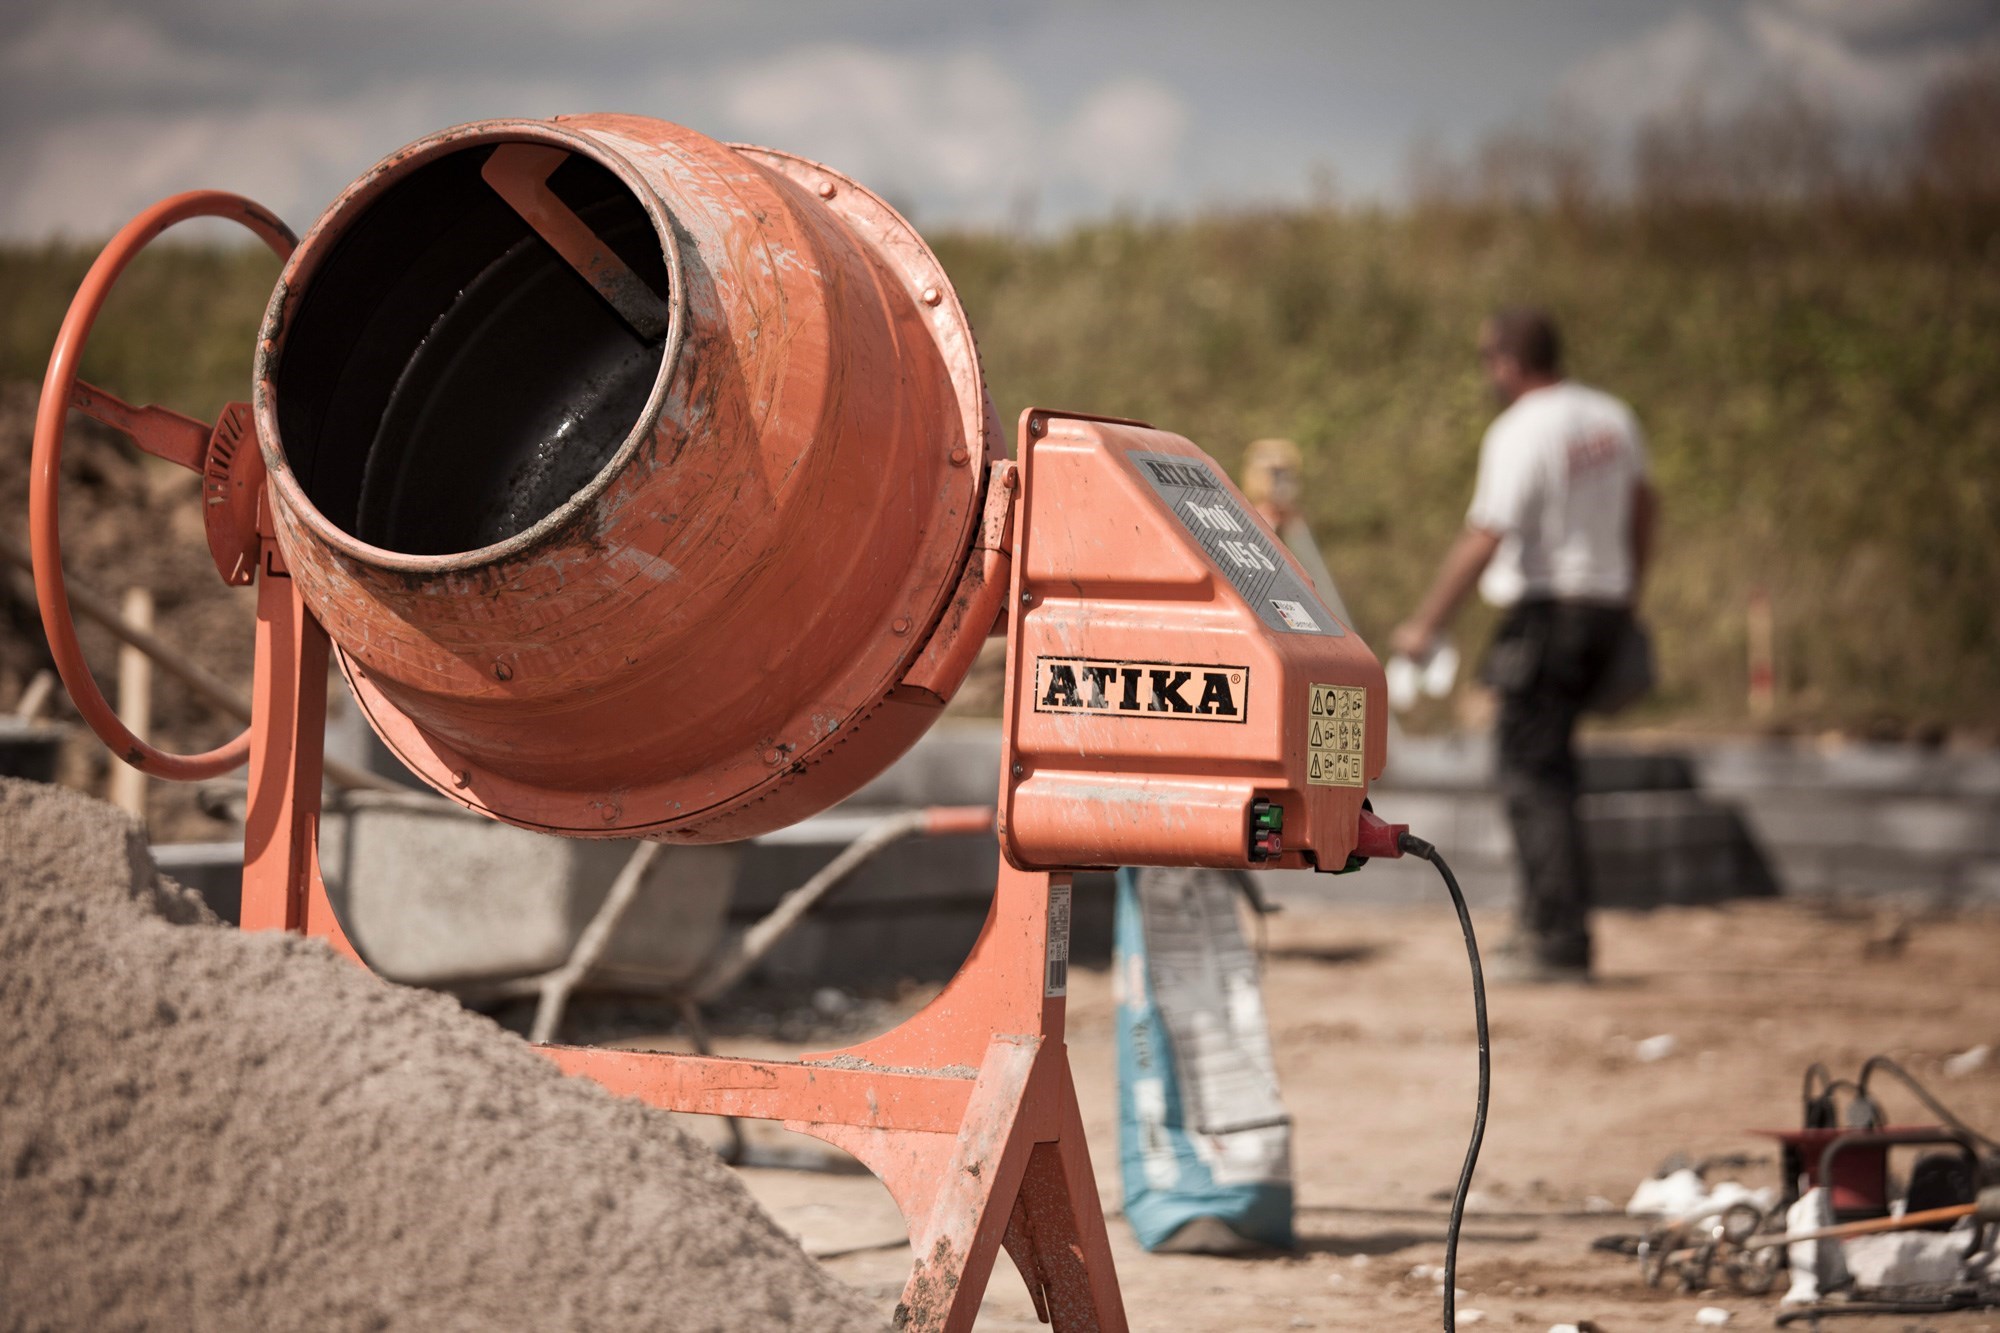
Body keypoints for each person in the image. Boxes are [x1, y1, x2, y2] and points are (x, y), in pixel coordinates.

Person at [1392, 309, 1657, 983]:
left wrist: (1427, 623)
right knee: (1553, 769)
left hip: (1548, 613)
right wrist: (1628, 592)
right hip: (1602, 605)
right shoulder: (1611, 416)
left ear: (1510, 361)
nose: (1487, 372)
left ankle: (1555, 934)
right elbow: (1644, 505)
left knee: (1530, 773)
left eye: (1488, 358)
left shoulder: (1522, 428)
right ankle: (1555, 922)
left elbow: (1486, 532)